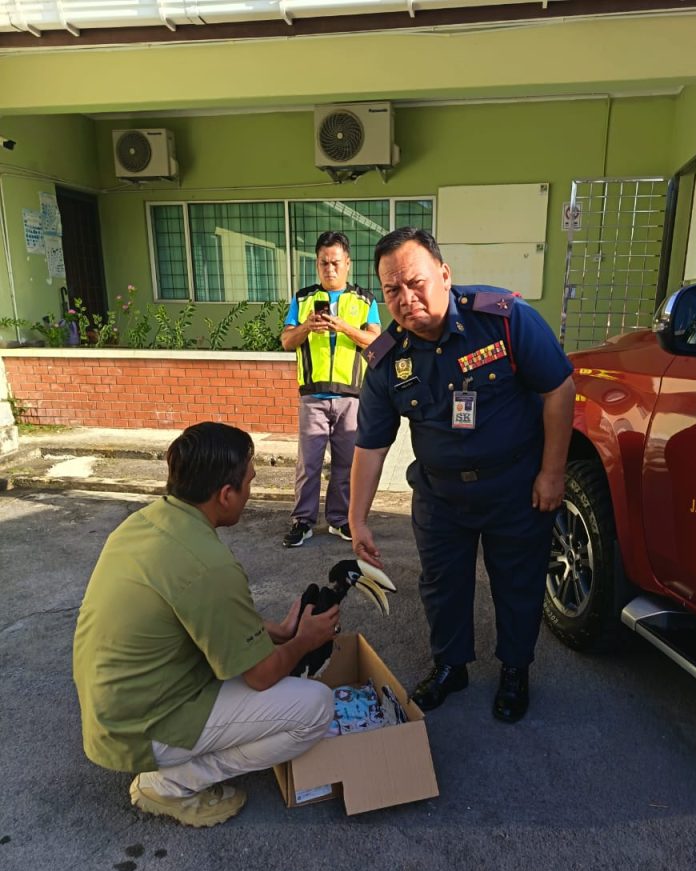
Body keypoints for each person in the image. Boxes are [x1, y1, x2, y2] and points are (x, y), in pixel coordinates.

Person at [349, 228, 575, 723]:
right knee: (442, 585)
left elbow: (559, 388)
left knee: (517, 583)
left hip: (515, 487)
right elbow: (371, 444)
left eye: (415, 282)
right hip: (440, 495)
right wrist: (357, 518)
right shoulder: (388, 358)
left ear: (445, 274)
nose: (406, 298)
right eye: (392, 290)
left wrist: (552, 473)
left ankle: (514, 670)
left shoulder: (504, 320)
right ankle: (451, 666)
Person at [72, 421, 339, 827]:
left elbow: (197, 611)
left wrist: (279, 632)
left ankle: (172, 763)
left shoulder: (146, 522)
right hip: (141, 727)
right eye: (249, 482)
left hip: (113, 709)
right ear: (226, 494)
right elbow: (262, 676)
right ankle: (172, 783)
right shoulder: (209, 565)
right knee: (316, 707)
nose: (250, 492)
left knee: (261, 666)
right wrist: (304, 640)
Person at [280, 230, 381, 548]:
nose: (330, 269)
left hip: (351, 397)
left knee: (346, 464)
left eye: (336, 262)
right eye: (324, 263)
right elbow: (286, 341)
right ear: (317, 264)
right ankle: (302, 520)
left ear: (348, 263)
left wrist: (344, 327)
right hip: (313, 396)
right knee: (308, 464)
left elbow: (377, 343)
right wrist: (307, 326)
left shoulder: (365, 300)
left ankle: (339, 520)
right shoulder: (303, 299)